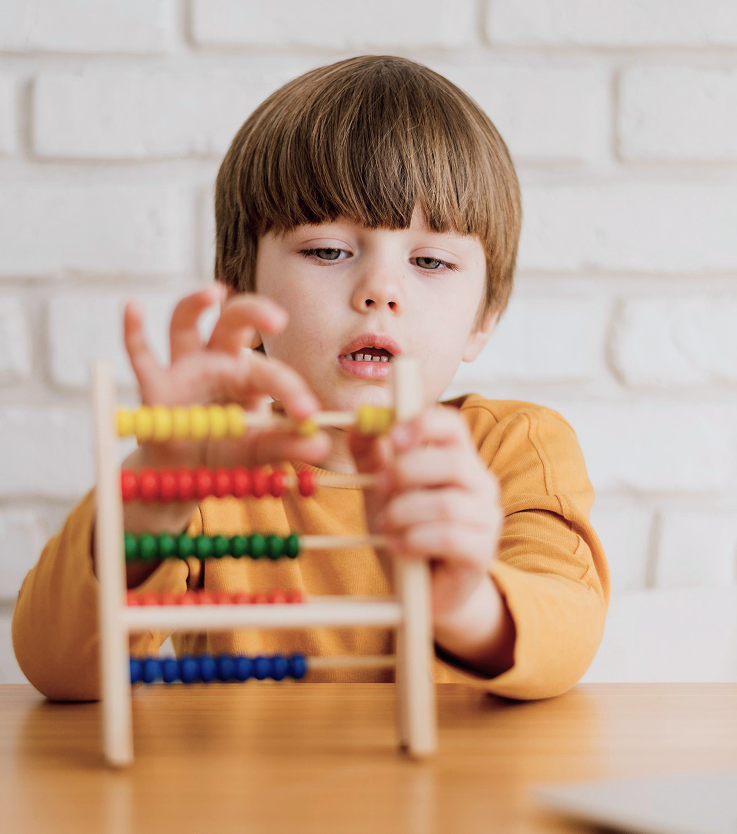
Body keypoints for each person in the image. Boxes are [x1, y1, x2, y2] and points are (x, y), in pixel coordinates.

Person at [12, 55, 609, 702]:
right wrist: (155, 496)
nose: (380, 290)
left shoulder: (514, 450)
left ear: (483, 319)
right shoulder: (207, 469)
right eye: (328, 251)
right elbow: (59, 669)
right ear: (242, 289)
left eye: (431, 261)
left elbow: (568, 632)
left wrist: (468, 604)